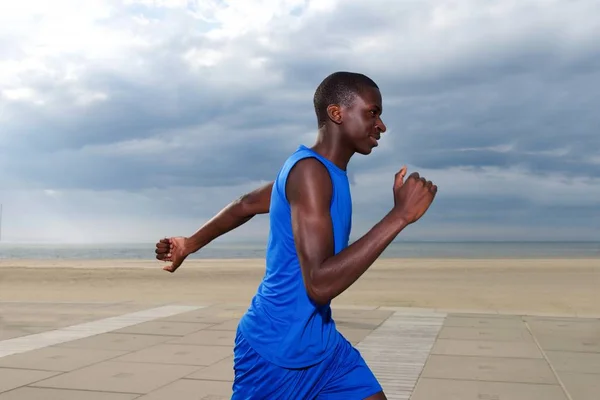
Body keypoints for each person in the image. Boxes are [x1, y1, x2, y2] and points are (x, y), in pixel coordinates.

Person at [155, 71, 437, 399]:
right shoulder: (309, 172)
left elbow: (244, 204)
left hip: (322, 346)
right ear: (337, 114)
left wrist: (189, 243)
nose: (381, 125)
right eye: (372, 113)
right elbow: (319, 284)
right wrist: (398, 217)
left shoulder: (320, 171)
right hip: (275, 353)